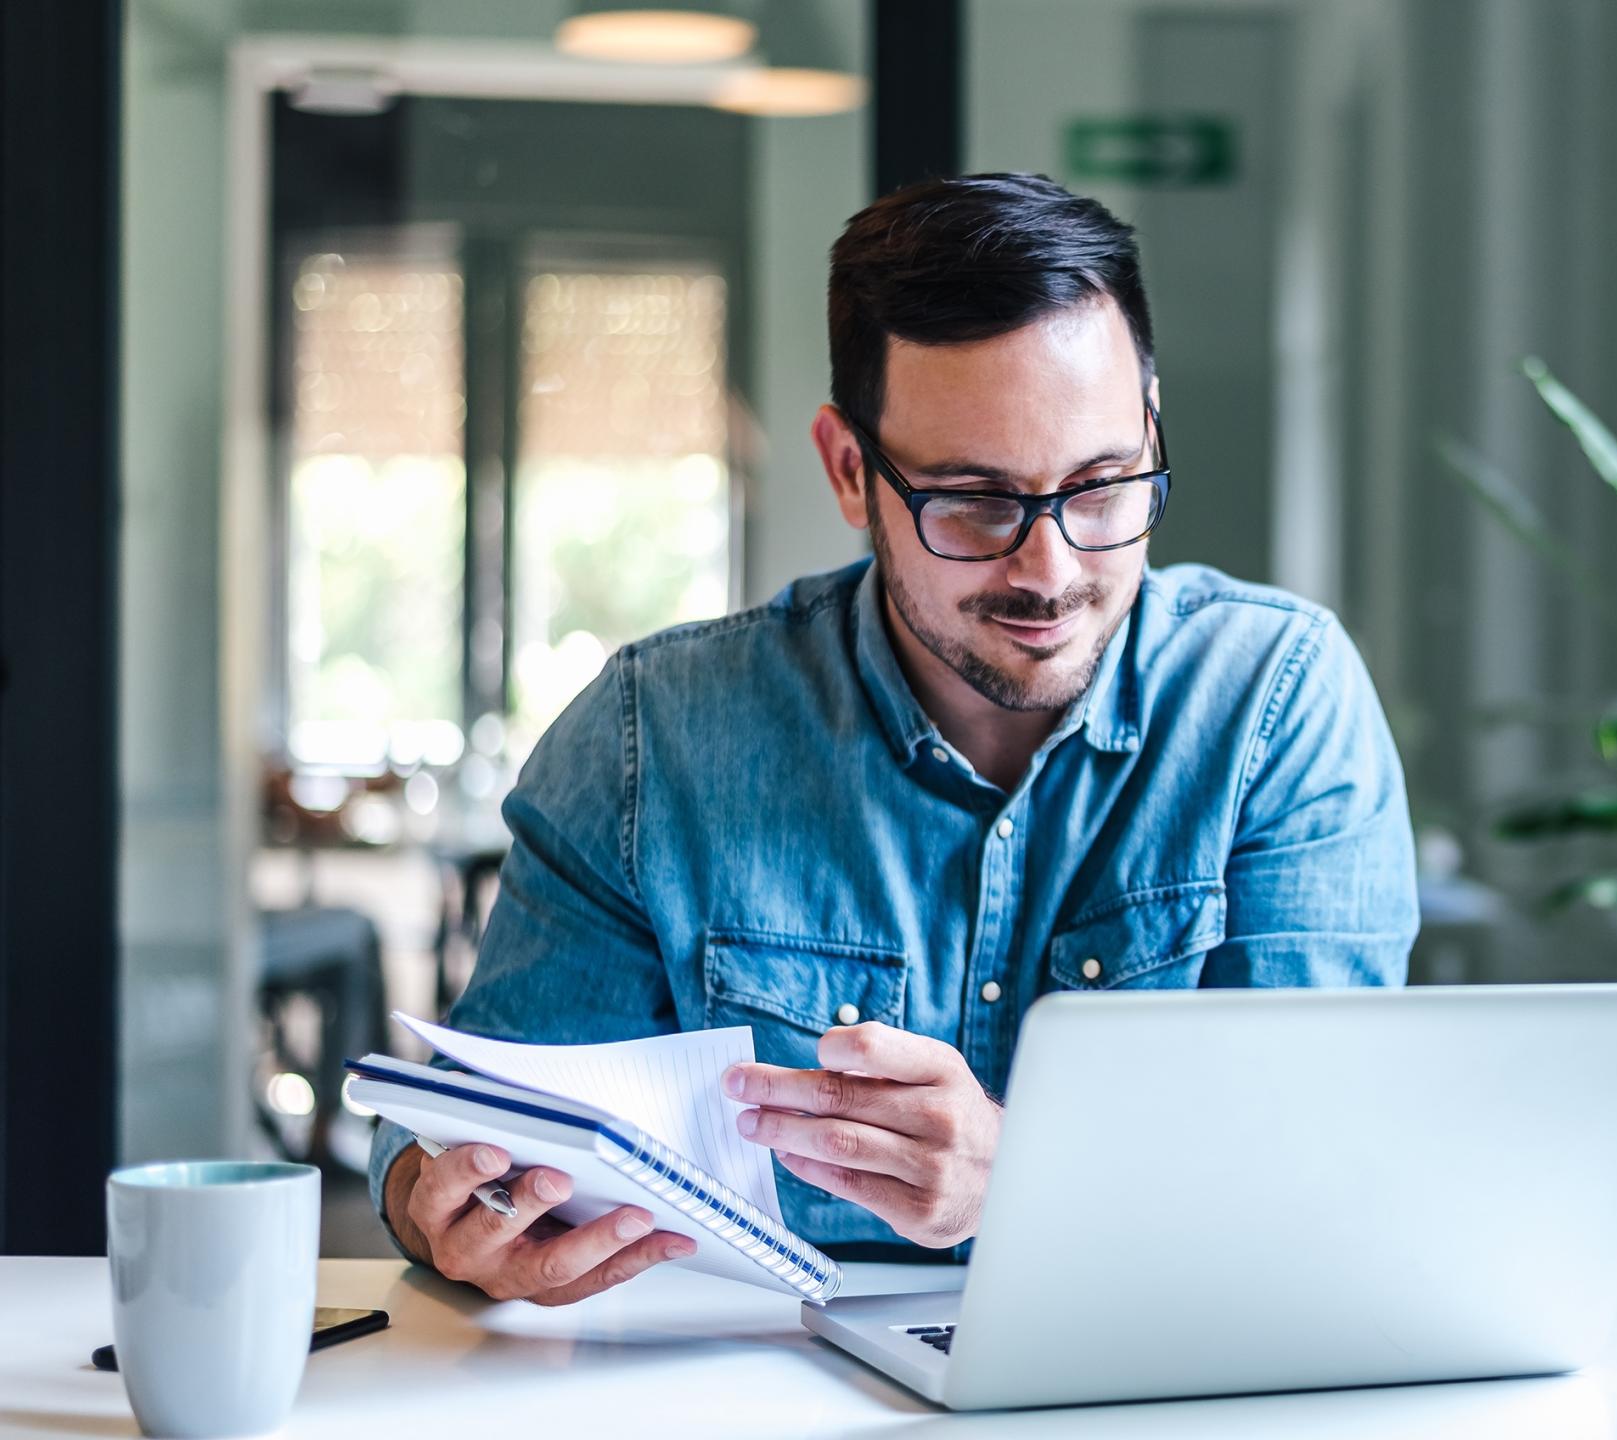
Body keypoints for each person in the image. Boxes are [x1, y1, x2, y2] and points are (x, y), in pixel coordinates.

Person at [368, 173, 1418, 1305]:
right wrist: (445, 1213)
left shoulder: (1274, 703)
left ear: (1150, 428)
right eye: (974, 501)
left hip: (1169, 1361)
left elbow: (1329, 1176)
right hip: (753, 1375)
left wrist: (1031, 1176)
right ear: (849, 471)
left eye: (1102, 486)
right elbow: (464, 1145)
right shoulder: (653, 740)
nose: (1051, 569)